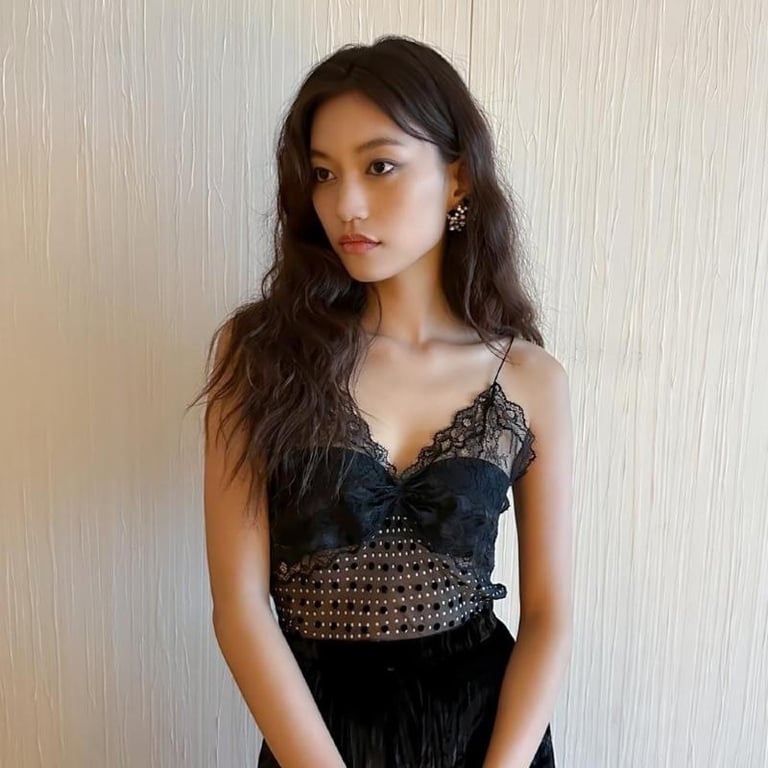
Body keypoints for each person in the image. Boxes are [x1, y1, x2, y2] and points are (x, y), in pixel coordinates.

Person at [190, 34, 573, 768]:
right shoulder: (262, 355)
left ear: (458, 179)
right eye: (323, 174)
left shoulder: (528, 377)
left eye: (379, 165)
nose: (346, 204)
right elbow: (239, 609)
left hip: (487, 737)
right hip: (318, 742)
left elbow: (550, 614)